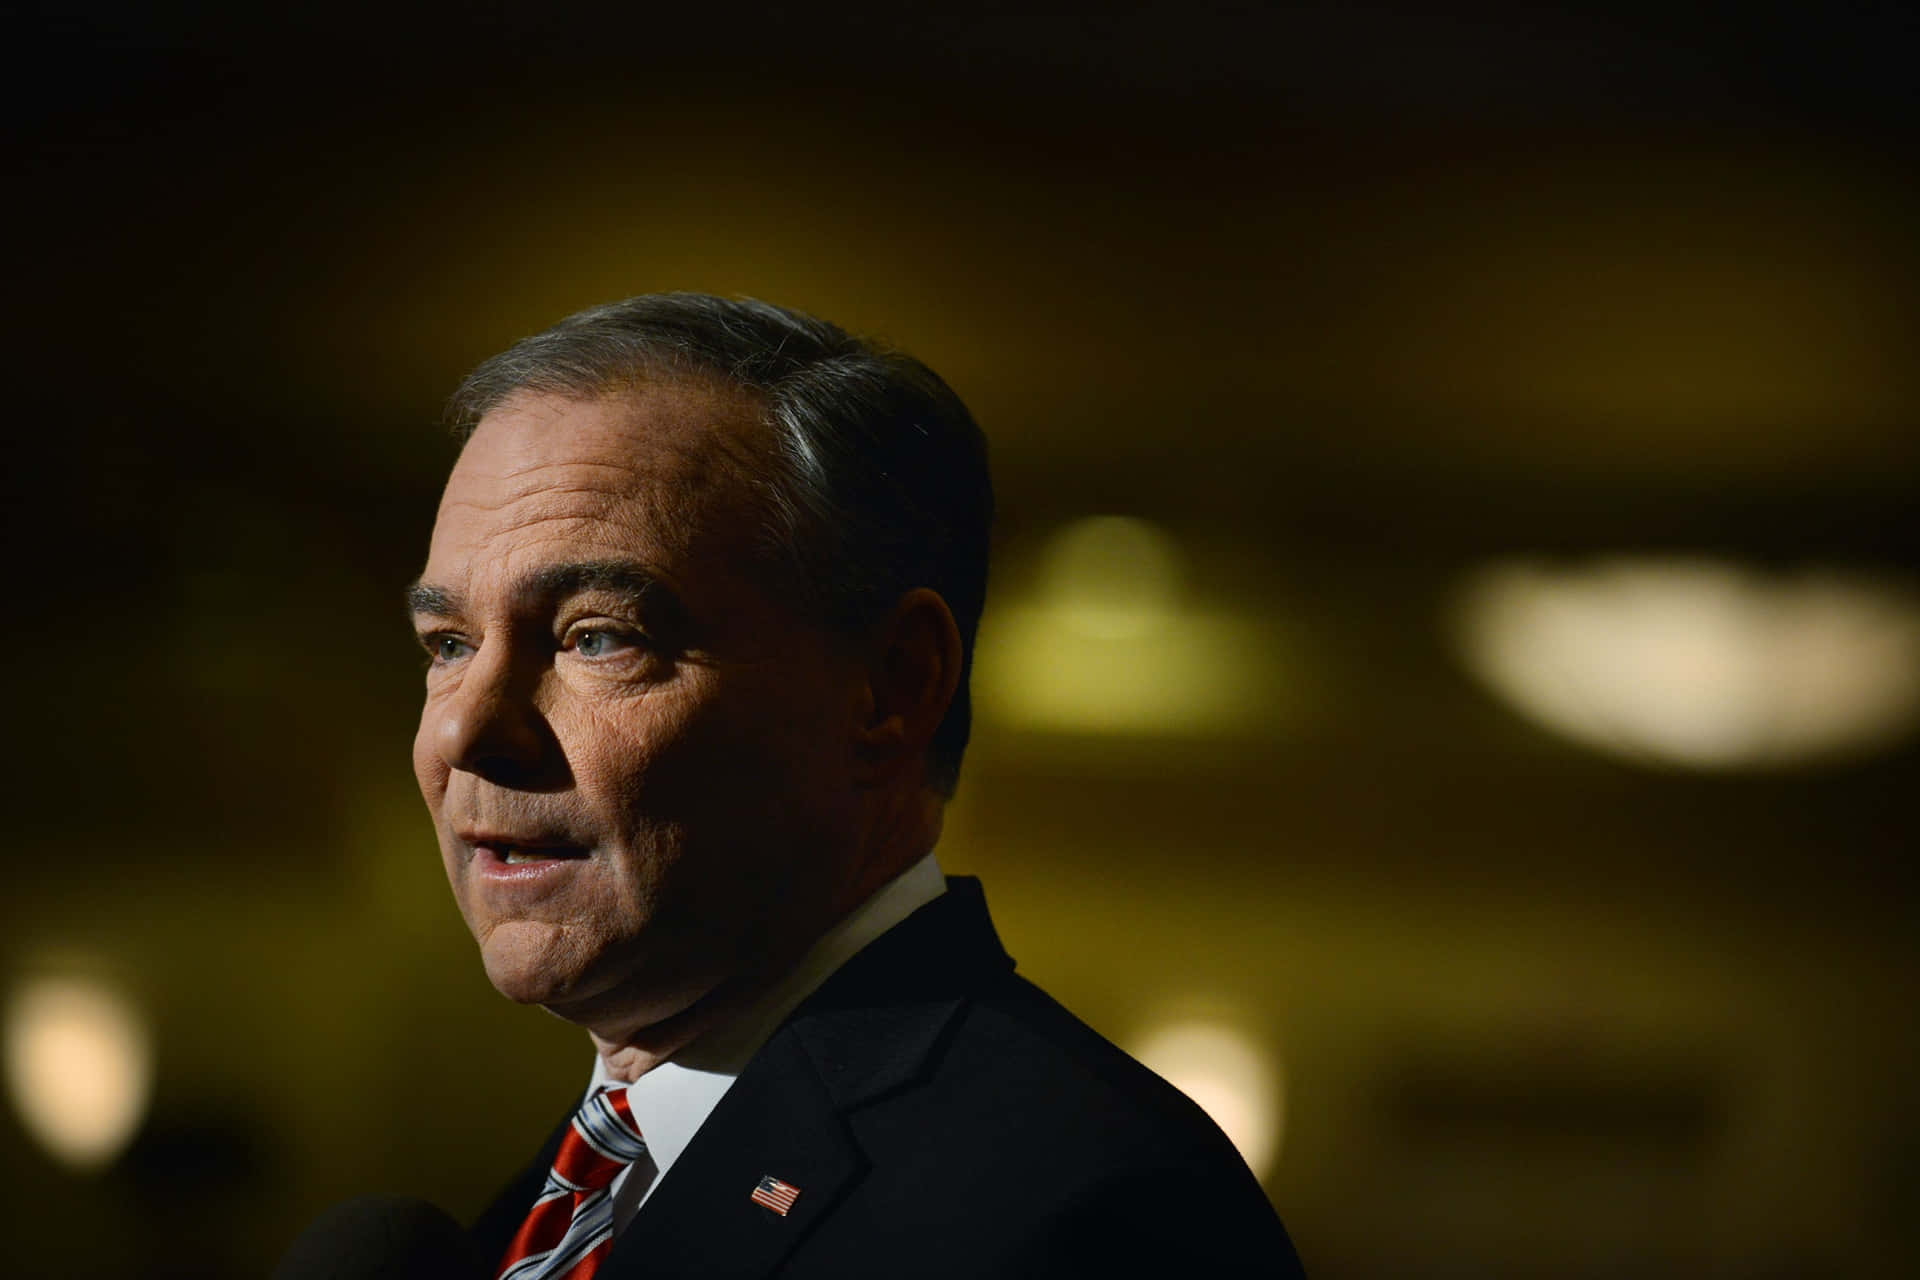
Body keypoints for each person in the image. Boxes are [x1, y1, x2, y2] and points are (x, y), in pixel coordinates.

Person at [405, 294, 1305, 1278]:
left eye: (598, 634)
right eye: (449, 643)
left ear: (891, 687)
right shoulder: (535, 1211)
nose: (464, 729)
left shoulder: (1102, 1209)